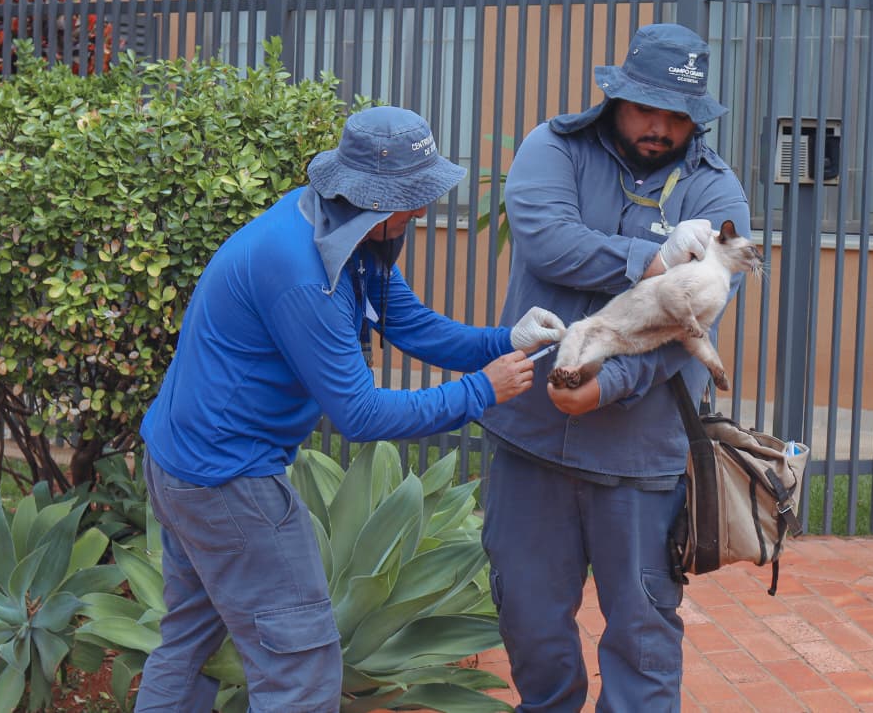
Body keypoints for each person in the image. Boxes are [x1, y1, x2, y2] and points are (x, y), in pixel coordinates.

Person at [134, 105, 565, 712]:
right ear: (377, 200)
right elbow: (360, 414)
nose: (422, 211)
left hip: (184, 465)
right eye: (414, 200)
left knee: (188, 643)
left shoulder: (339, 230)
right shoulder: (304, 272)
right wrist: (482, 391)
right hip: (227, 481)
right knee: (300, 665)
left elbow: (409, 323)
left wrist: (505, 341)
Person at [480, 22, 752, 711]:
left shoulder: (718, 195)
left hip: (639, 454)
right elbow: (549, 242)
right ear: (617, 96)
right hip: (531, 439)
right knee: (528, 617)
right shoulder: (553, 148)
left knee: (642, 633)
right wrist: (655, 262)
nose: (660, 127)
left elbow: (693, 317)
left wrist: (608, 385)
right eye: (647, 109)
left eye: (678, 115)